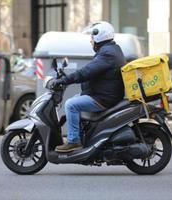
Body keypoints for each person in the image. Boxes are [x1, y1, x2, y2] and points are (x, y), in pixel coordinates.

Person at [53, 21, 126, 152]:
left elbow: (87, 72)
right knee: (75, 99)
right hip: (104, 93)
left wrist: (65, 80)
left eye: (92, 37)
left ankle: (74, 141)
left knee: (71, 105)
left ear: (99, 37)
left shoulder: (107, 54)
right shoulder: (111, 49)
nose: (90, 40)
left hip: (103, 97)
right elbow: (91, 70)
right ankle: (82, 135)